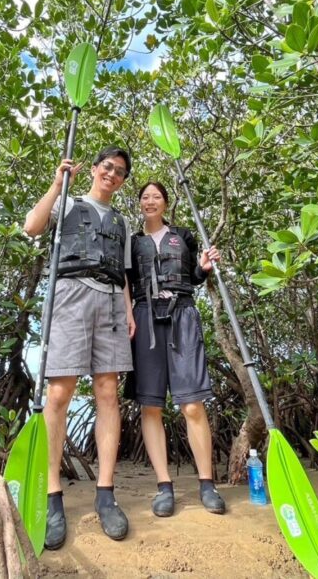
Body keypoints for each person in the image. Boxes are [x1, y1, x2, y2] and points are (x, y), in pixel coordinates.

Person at [23, 146, 137, 549]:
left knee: (108, 392)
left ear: (123, 181)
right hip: (70, 295)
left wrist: (128, 310)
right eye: (107, 167)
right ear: (94, 169)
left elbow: (122, 274)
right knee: (60, 392)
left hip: (109, 300)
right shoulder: (68, 200)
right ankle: (53, 497)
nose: (112, 174)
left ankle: (105, 494)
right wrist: (56, 183)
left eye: (120, 172)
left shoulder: (121, 222)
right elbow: (31, 227)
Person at [126, 181, 226, 517]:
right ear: (139, 204)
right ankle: (164, 486)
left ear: (166, 203)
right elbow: (125, 285)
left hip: (182, 315)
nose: (150, 201)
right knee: (150, 407)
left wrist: (204, 267)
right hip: (144, 320)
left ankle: (207, 484)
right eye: (144, 197)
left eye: (156, 196)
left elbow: (196, 277)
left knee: (193, 406)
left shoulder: (183, 236)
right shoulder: (132, 243)